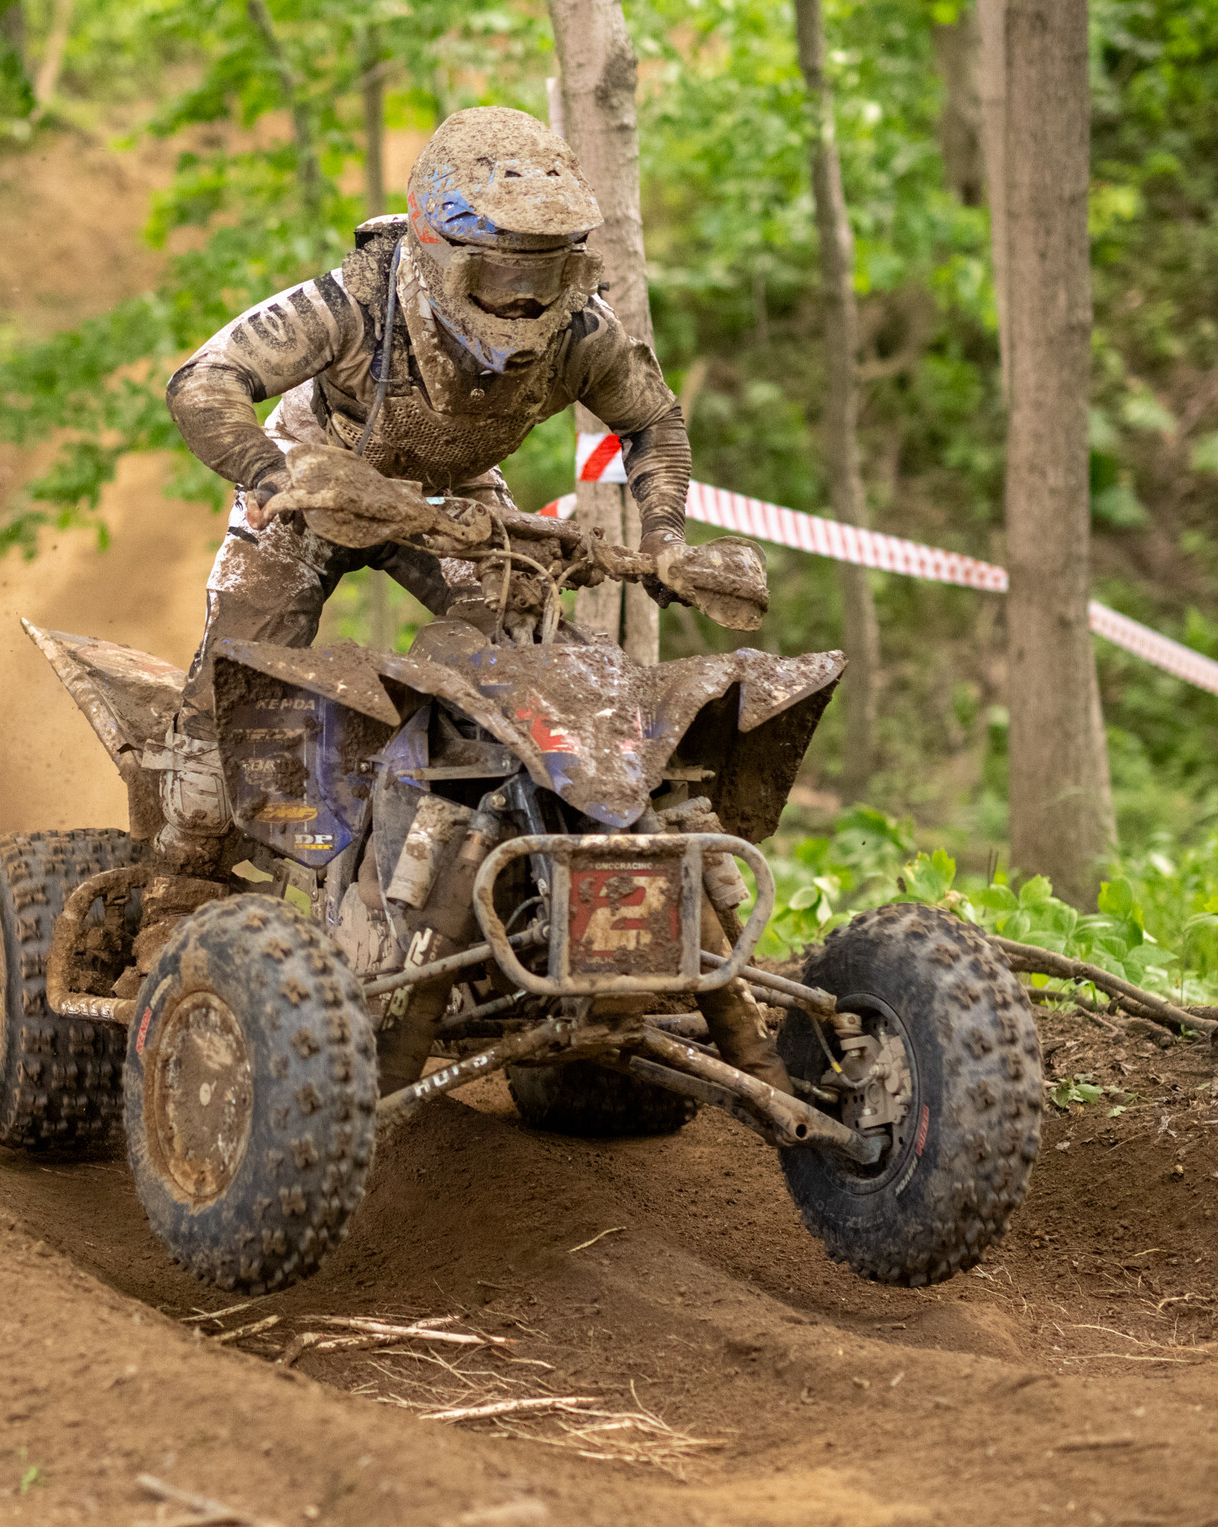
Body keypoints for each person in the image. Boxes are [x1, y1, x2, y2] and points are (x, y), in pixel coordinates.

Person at [156, 104, 785, 1090]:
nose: (523, 297)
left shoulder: (582, 330)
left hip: (462, 510)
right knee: (234, 697)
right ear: (438, 243)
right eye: (501, 269)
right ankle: (177, 884)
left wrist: (663, 544)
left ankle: (495, 884)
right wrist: (274, 478)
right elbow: (202, 381)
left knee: (527, 679)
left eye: (546, 268)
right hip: (318, 480)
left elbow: (655, 424)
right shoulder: (351, 300)